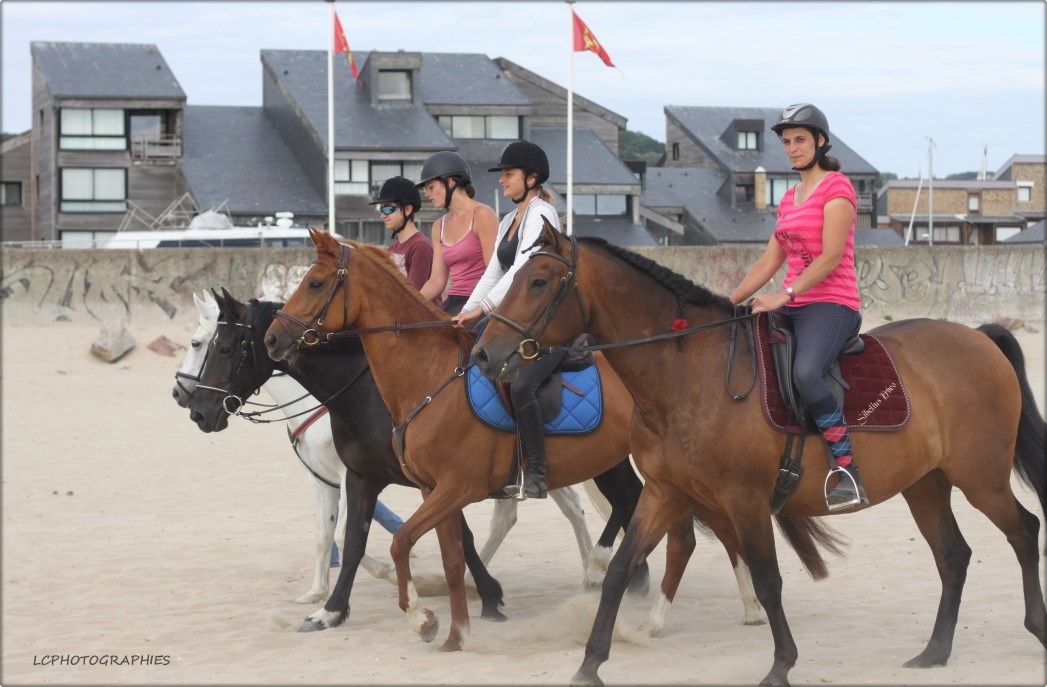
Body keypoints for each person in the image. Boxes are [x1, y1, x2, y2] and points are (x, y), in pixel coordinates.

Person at [728, 103, 868, 512]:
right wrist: (727, 303)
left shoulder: (837, 188)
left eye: (800, 140)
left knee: (806, 372)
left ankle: (848, 470)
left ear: (820, 141)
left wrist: (783, 295)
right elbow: (768, 261)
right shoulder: (789, 198)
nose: (792, 148)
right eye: (787, 142)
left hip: (832, 304)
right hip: (795, 303)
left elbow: (830, 257)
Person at [453, 140, 563, 500]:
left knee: (521, 385)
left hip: (550, 324)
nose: (502, 180)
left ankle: (537, 472)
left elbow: (522, 268)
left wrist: (483, 309)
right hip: (522, 322)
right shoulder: (508, 221)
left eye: (509, 174)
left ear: (532, 178)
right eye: (502, 174)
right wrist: (466, 313)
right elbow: (494, 272)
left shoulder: (543, 214)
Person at [414, 152, 498, 315]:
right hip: (452, 303)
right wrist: (409, 303)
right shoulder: (438, 226)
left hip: (480, 303)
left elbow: (493, 272)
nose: (427, 194)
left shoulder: (483, 214)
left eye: (430, 187)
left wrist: (471, 309)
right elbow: (437, 281)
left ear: (450, 182)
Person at [370, 176, 434, 294]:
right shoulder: (392, 248)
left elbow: (413, 296)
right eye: (381, 209)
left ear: (408, 209)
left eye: (388, 209)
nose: (382, 215)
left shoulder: (420, 247)